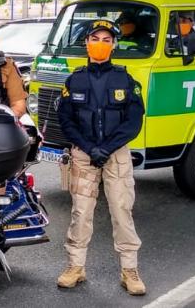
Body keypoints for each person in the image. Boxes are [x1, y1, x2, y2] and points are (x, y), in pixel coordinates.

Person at [55, 19, 146, 296]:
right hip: (84, 154)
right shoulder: (75, 79)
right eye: (95, 39)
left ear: (114, 45)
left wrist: (106, 148)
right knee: (81, 213)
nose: (100, 45)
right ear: (86, 43)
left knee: (122, 211)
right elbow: (66, 120)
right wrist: (87, 147)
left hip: (115, 154)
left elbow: (133, 120)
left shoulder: (125, 79)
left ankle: (129, 271)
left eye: (107, 40)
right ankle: (75, 267)